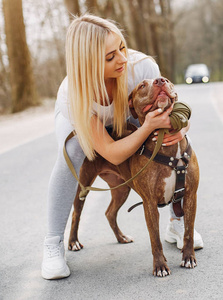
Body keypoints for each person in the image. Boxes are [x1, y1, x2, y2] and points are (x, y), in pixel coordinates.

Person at [42, 14, 203, 280]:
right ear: (88, 64)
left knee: (172, 144)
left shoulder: (142, 68)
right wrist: (148, 127)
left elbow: (175, 105)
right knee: (73, 152)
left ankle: (177, 223)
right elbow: (111, 152)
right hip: (88, 118)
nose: (122, 59)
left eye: (122, 48)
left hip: (128, 111)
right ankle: (53, 243)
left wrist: (181, 125)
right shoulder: (74, 94)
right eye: (109, 57)